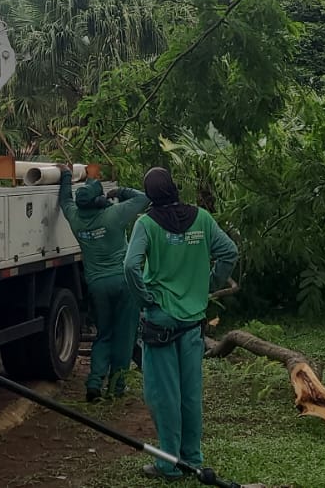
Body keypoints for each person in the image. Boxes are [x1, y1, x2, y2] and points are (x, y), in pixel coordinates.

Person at [123, 167, 238, 482]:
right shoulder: (201, 218)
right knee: (190, 393)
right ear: (174, 188)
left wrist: (146, 300)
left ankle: (168, 464)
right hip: (192, 323)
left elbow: (131, 266)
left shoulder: (146, 224)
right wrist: (208, 284)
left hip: (160, 320)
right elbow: (229, 251)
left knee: (163, 396)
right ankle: (193, 459)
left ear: (150, 195)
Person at [57, 167, 150, 402]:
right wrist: (120, 190)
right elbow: (144, 198)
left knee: (104, 334)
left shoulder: (75, 218)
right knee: (124, 335)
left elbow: (64, 199)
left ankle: (95, 383)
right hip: (124, 282)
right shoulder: (114, 215)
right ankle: (117, 387)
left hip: (97, 285)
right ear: (99, 200)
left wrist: (66, 176)